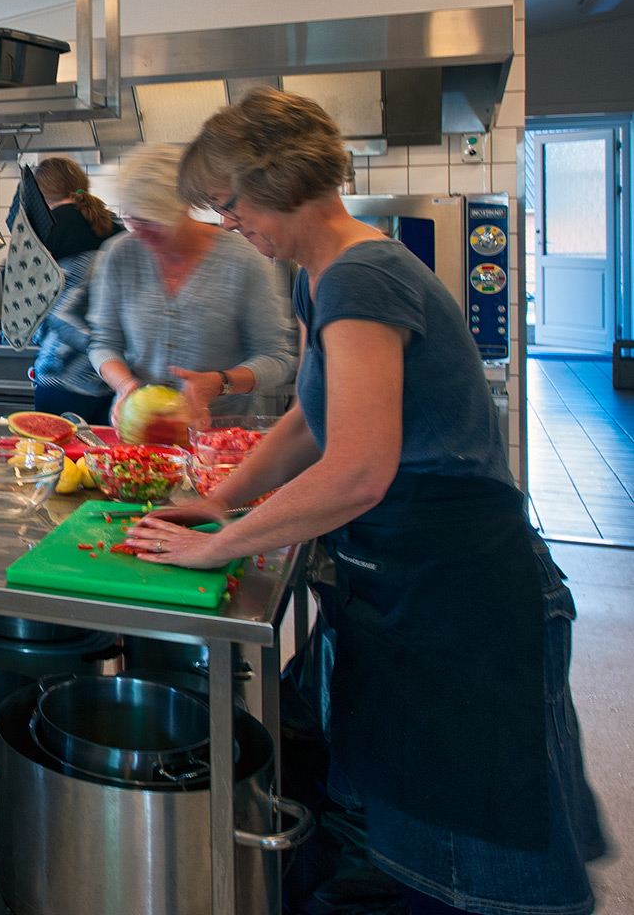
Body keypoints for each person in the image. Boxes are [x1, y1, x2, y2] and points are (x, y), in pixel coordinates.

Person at [127, 87, 606, 915]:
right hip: (408, 579)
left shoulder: (361, 275)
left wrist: (220, 547)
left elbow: (356, 469)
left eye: (233, 203)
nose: (230, 222)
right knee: (405, 830)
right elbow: (314, 419)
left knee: (478, 856)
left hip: (459, 595)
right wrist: (221, 501)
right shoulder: (325, 279)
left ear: (279, 180)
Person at [86, 143, 297, 421]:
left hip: (221, 436)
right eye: (133, 219)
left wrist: (220, 383)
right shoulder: (120, 254)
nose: (140, 232)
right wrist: (126, 386)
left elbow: (277, 357)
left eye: (153, 221)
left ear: (182, 208)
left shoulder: (242, 259)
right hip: (140, 433)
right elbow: (103, 343)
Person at [21, 157, 123, 422]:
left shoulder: (44, 230)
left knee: (58, 461)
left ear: (39, 195)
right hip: (111, 376)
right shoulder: (113, 225)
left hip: (62, 377)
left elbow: (46, 305)